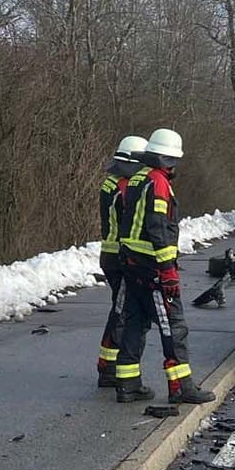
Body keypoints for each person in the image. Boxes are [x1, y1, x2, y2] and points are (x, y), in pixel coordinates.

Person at [113, 128, 215, 407]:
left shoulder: (136, 178)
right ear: (166, 159)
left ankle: (128, 383)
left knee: (136, 322)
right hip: (153, 269)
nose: (175, 166)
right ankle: (181, 386)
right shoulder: (157, 182)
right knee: (174, 326)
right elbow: (158, 226)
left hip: (132, 264)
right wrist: (168, 270)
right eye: (173, 160)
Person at [96, 135, 148, 387]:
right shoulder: (124, 187)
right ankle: (108, 368)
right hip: (120, 257)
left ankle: (109, 363)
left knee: (120, 309)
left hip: (111, 255)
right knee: (122, 311)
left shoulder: (111, 183)